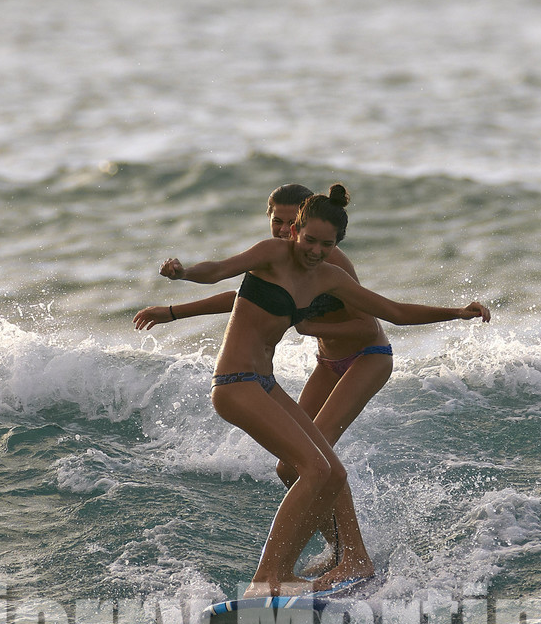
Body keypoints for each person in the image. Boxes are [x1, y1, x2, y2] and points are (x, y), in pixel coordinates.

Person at [158, 184, 490, 596]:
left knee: (330, 470)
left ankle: (304, 569)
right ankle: (268, 579)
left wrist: (457, 312)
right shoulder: (272, 253)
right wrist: (184, 274)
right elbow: (221, 271)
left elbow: (394, 312)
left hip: (265, 382)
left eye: (326, 244)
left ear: (337, 244)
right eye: (309, 239)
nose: (315, 249)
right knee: (313, 468)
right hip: (235, 382)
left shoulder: (328, 275)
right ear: (296, 230)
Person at [134, 183, 394, 573]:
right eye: (277, 221)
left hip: (366, 358)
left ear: (305, 223)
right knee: (291, 467)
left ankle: (354, 556)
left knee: (319, 460)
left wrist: (305, 325)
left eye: (292, 223)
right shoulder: (282, 257)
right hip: (327, 363)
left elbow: (367, 327)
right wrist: (174, 311)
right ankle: (342, 549)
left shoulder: (326, 261)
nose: (283, 230)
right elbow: (244, 294)